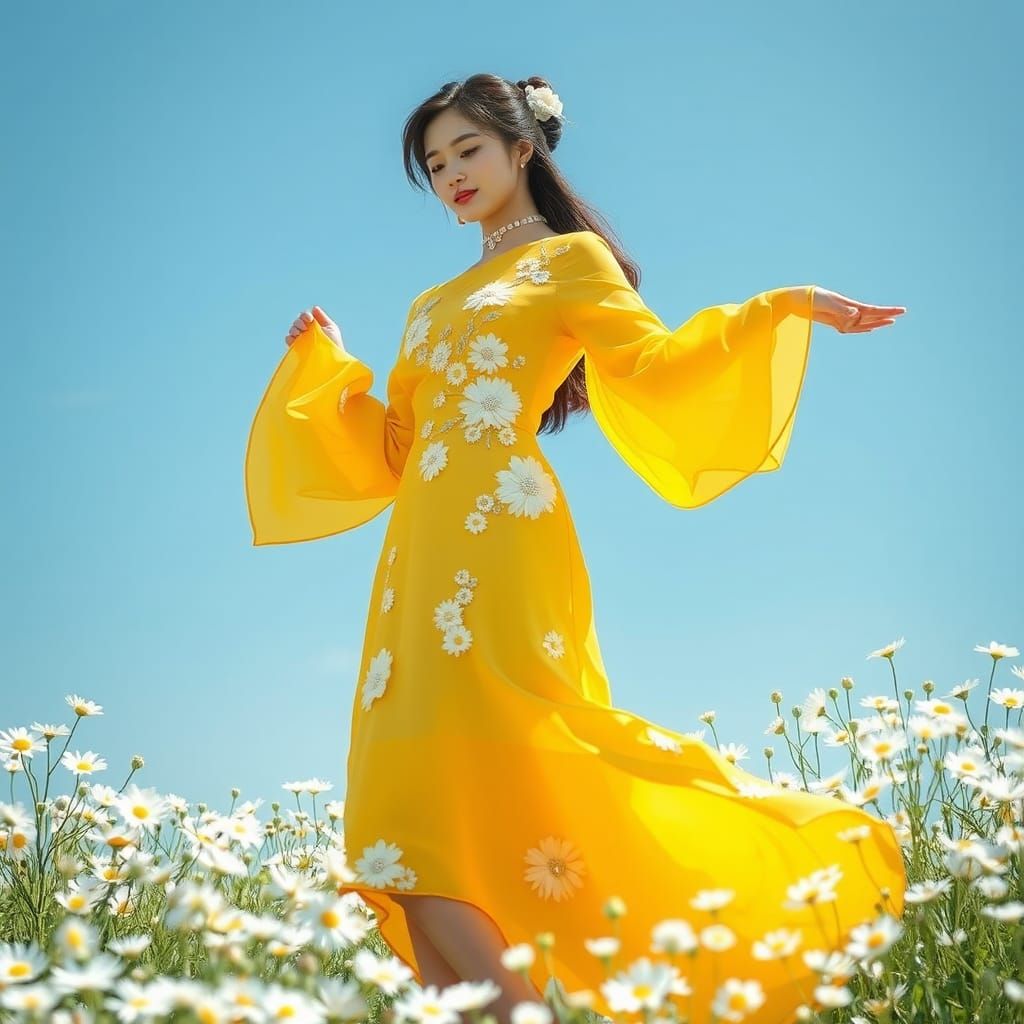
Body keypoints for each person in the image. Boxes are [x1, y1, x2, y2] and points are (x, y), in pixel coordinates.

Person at [244, 73, 908, 1024]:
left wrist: (783, 305)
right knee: (403, 802)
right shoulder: (430, 303)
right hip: (415, 554)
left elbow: (655, 364)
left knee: (449, 794)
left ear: (522, 150)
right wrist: (329, 364)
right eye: (434, 165)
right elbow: (396, 447)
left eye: (467, 151)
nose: (451, 176)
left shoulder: (573, 261)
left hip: (504, 543)